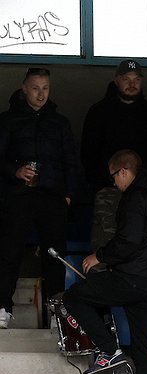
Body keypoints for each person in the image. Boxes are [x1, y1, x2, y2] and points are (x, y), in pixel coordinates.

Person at [64, 150, 147, 374]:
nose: (114, 183)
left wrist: (99, 256)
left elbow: (128, 241)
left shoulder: (135, 197)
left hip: (133, 278)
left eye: (114, 177)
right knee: (145, 349)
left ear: (123, 171)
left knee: (74, 296)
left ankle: (109, 349)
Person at [0, 67, 83, 329]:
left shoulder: (59, 122)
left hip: (52, 196)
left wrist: (69, 195)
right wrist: (15, 171)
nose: (41, 94)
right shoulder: (8, 120)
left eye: (45, 88)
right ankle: (2, 307)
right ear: (24, 88)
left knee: (54, 257)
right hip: (19, 195)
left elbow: (71, 161)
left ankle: (56, 314)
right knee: (9, 252)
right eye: (35, 88)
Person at [81, 60, 147, 193]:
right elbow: (88, 153)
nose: (132, 84)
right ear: (116, 81)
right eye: (126, 79)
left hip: (144, 190)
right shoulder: (98, 112)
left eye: (136, 79)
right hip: (107, 188)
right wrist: (102, 182)